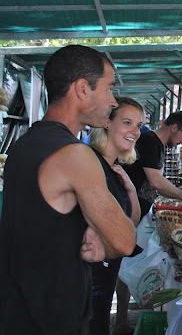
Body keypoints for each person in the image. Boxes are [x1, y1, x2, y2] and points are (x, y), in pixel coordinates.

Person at [0, 45, 137, 333]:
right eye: (109, 88)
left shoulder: (23, 146)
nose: (113, 101)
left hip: (19, 311)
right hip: (55, 317)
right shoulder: (76, 155)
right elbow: (125, 241)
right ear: (82, 89)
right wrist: (104, 235)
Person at [87, 96, 144, 335]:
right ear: (107, 123)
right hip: (88, 280)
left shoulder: (115, 168)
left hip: (105, 275)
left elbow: (132, 223)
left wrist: (130, 189)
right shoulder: (91, 163)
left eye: (139, 125)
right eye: (128, 122)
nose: (135, 131)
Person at [124, 111, 182, 216]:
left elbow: (158, 185)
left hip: (139, 208)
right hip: (130, 208)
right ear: (174, 128)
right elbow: (155, 181)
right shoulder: (149, 141)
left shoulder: (158, 144)